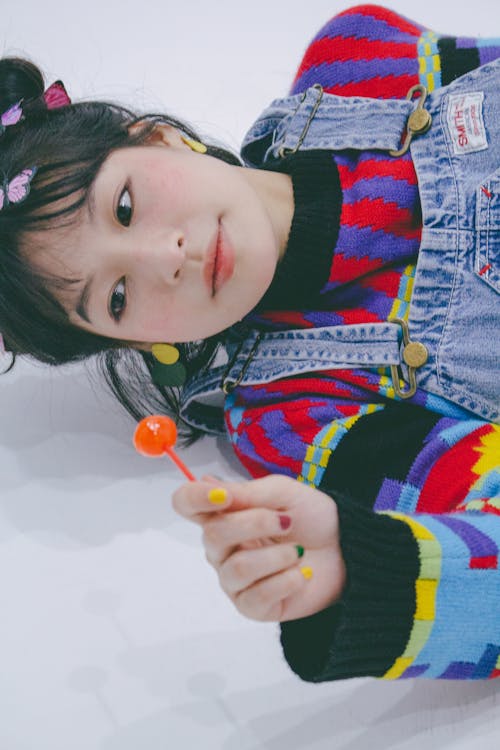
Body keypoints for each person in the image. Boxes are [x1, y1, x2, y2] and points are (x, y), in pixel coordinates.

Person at [1, 4, 499, 682]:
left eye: (124, 205)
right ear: (141, 340)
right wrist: (365, 569)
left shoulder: (357, 61)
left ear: (156, 139)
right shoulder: (291, 417)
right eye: (118, 298)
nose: (162, 257)